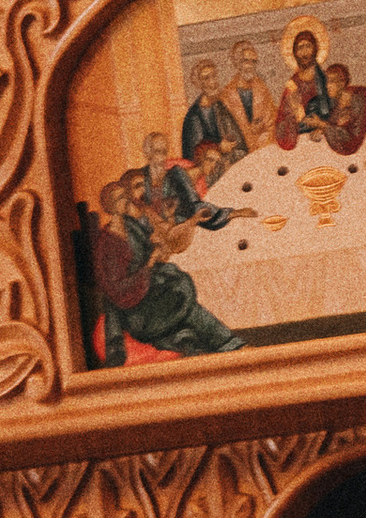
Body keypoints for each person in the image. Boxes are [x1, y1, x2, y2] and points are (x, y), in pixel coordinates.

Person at [87, 171, 242, 359]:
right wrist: (150, 263)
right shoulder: (108, 243)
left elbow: (155, 246)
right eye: (119, 198)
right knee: (186, 307)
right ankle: (230, 344)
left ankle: (218, 343)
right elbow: (117, 289)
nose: (126, 200)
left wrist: (160, 247)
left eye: (124, 196)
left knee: (181, 294)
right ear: (109, 206)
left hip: (149, 291)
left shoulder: (130, 225)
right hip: (136, 309)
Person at [182, 54, 248, 169]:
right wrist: (219, 148)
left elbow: (238, 141)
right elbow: (193, 157)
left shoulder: (220, 106)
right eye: (206, 78)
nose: (212, 82)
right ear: (198, 83)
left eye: (214, 76)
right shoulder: (193, 116)